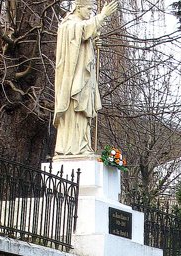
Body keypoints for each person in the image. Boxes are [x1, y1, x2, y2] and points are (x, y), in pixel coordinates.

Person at [53, 0, 118, 157]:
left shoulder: (79, 24)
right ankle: (72, 147)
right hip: (73, 80)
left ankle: (82, 146)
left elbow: (84, 38)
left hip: (83, 78)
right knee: (75, 110)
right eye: (89, 9)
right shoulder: (68, 25)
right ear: (79, 7)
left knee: (83, 113)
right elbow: (81, 31)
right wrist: (102, 16)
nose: (90, 12)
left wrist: (92, 42)